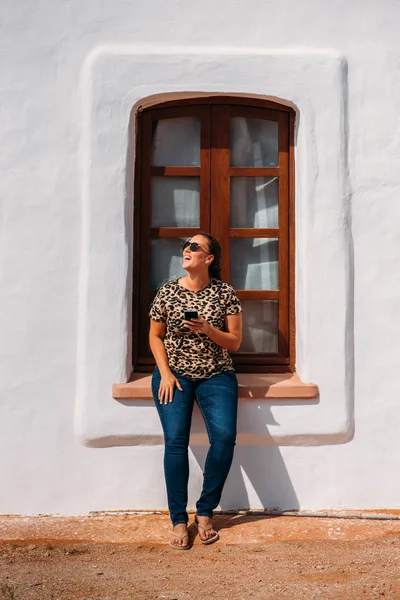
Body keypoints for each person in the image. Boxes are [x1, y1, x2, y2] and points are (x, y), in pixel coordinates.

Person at [149, 233, 243, 550]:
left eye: (194, 247)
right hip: (173, 374)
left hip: (216, 374)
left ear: (209, 258)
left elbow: (235, 342)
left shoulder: (225, 293)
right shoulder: (168, 290)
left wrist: (208, 329)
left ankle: (205, 512)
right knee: (176, 441)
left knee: (225, 437)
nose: (186, 250)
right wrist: (164, 372)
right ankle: (178, 520)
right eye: (185, 246)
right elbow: (155, 336)